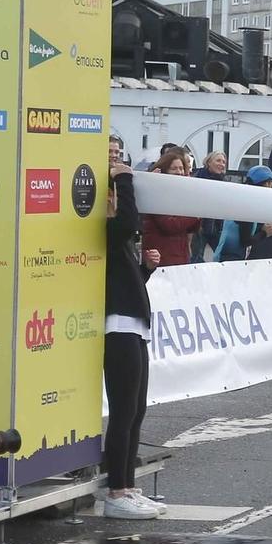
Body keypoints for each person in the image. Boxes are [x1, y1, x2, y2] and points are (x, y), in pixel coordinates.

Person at [102, 155, 166, 519]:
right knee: (124, 411)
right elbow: (127, 221)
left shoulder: (116, 240)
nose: (117, 201)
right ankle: (117, 490)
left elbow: (128, 284)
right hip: (117, 328)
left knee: (136, 410)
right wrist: (124, 181)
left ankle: (128, 485)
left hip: (133, 326)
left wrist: (145, 268)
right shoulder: (108, 231)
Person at [142, 149, 199, 268]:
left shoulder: (181, 194)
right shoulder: (155, 193)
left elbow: (191, 227)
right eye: (174, 168)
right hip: (162, 259)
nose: (179, 172)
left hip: (179, 257)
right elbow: (169, 225)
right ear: (164, 170)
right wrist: (195, 214)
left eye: (181, 168)